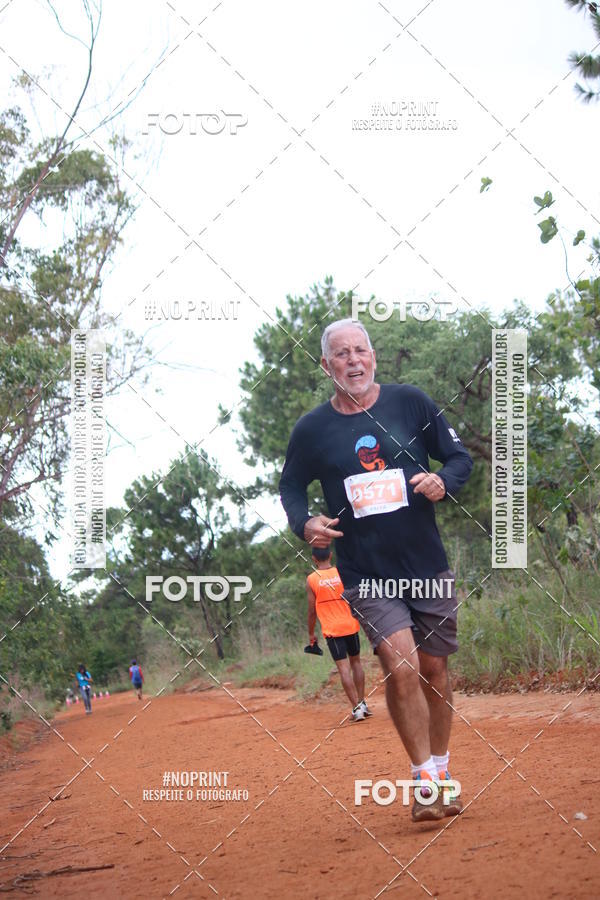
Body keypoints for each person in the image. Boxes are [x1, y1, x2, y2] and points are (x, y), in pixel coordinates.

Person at [279, 319, 473, 822]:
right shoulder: (312, 429)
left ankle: (444, 768)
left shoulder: (411, 402)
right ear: (327, 366)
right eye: (341, 354)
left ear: (374, 357)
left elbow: (458, 458)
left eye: (360, 350)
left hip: (425, 563)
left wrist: (442, 480)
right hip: (366, 571)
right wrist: (306, 523)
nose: (353, 361)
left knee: (434, 670)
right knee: (401, 664)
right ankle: (424, 780)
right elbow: (292, 489)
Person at [307, 545, 371, 722]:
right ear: (330, 555)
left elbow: (311, 611)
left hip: (332, 630)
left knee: (343, 669)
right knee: (356, 662)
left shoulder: (312, 579)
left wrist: (311, 634)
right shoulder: (342, 573)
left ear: (314, 559)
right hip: (351, 625)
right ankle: (363, 702)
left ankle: (356, 709)